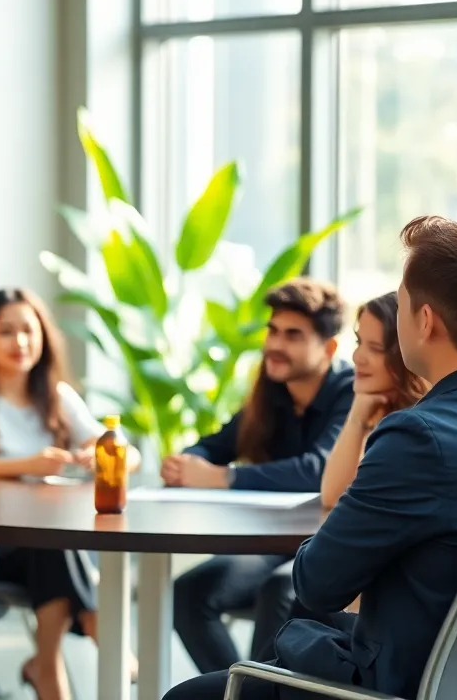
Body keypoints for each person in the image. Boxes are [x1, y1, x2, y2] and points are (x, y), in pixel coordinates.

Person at [164, 215, 457, 700]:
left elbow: (317, 585)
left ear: (424, 321)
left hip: (404, 687)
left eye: (402, 304)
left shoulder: (421, 437)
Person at [0, 288, 140, 700]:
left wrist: (96, 455)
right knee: (54, 544)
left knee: (51, 544)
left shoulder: (57, 395)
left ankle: (45, 668)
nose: (21, 343)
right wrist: (29, 465)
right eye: (7, 332)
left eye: (29, 331)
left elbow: (126, 452)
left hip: (44, 543)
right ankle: (96, 628)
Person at [162, 278, 354, 674]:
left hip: (325, 540)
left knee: (279, 590)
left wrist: (222, 478)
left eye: (293, 335)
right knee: (189, 592)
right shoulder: (273, 392)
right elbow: (215, 445)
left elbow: (318, 470)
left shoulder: (351, 391)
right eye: (273, 330)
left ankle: (264, 691)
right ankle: (240, 690)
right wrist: (185, 463)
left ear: (329, 347)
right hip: (271, 540)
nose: (275, 344)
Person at [319, 292, 430, 511]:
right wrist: (356, 419)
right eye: (359, 342)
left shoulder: (414, 428)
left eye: (375, 348)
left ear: (405, 354)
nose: (357, 357)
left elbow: (336, 499)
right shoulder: (379, 410)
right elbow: (331, 496)